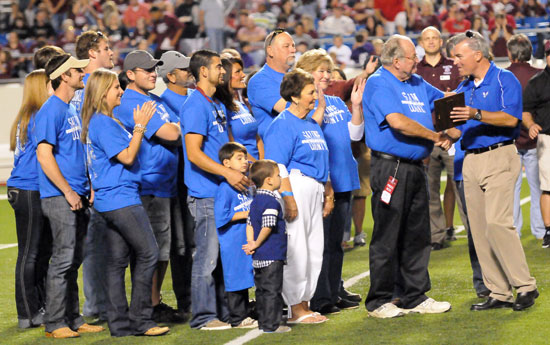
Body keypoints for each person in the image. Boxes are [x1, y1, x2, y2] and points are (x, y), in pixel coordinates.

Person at [447, 30, 538, 311]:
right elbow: (455, 130)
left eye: (458, 56)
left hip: (499, 155)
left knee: (498, 222)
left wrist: (475, 113)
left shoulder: (504, 78)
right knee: (479, 229)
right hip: (469, 160)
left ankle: (525, 286)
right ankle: (499, 292)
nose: (455, 62)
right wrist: (440, 132)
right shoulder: (463, 88)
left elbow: (511, 118)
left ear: (477, 54)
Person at [362, 35, 452, 318]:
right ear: (396, 60)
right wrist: (435, 136)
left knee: (417, 233)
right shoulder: (378, 83)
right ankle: (379, 300)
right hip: (391, 167)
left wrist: (455, 125)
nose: (418, 60)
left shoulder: (416, 82)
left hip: (415, 167)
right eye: (414, 56)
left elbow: (444, 101)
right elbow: (397, 121)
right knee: (388, 234)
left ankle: (414, 295)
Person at [81, 68, 169, 337]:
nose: (120, 91)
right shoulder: (103, 123)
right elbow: (128, 157)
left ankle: (119, 324)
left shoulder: (101, 121)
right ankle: (142, 319)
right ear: (101, 93)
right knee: (149, 253)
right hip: (120, 198)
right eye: (115, 88)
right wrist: (141, 126)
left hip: (111, 199)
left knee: (116, 262)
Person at [35, 54, 104, 338]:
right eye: (76, 70)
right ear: (64, 76)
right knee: (63, 260)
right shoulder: (51, 110)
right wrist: (67, 191)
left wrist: (86, 186)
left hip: (77, 193)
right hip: (60, 196)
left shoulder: (69, 108)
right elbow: (43, 153)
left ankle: (73, 317)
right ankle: (55, 322)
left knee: (74, 259)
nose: (82, 72)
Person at [181, 49, 248, 330]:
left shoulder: (216, 103)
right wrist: (227, 173)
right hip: (205, 192)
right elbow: (194, 154)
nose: (224, 71)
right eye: (219, 67)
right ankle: (203, 317)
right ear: (203, 71)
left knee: (223, 259)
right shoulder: (196, 104)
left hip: (221, 191)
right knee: (206, 259)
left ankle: (224, 313)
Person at [294, 49, 365, 315]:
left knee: (336, 243)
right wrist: (319, 105)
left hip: (344, 178)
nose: (327, 75)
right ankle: (319, 297)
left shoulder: (335, 102)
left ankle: (334, 292)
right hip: (321, 184)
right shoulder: (304, 104)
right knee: (319, 245)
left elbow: (355, 135)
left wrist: (356, 107)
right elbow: (308, 132)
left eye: (328, 70)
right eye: (321, 70)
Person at [114, 50, 183, 323]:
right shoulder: (131, 101)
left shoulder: (153, 99)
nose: (153, 73)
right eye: (146, 70)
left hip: (164, 184)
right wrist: (176, 127)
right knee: (151, 249)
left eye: (154, 69)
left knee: (163, 248)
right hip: (148, 184)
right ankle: (146, 305)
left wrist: (177, 127)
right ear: (130, 74)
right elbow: (172, 133)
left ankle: (154, 301)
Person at [264, 68, 332, 324]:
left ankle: (305, 302)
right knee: (297, 249)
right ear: (294, 96)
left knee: (314, 248)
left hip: (314, 187)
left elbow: (322, 158)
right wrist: (288, 197)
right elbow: (277, 166)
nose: (315, 96)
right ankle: (295, 307)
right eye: (310, 92)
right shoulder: (281, 124)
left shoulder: (310, 123)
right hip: (296, 187)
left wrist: (328, 192)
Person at [72, 30, 114, 323]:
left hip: (97, 181)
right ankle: (95, 308)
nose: (111, 53)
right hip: (92, 183)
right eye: (106, 48)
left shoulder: (94, 87)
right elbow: (84, 140)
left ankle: (102, 305)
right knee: (94, 248)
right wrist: (92, 180)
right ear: (91, 54)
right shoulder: (84, 91)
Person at [7, 70, 51, 329]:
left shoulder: (27, 115)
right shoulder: (37, 117)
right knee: (30, 254)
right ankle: (28, 312)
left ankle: (36, 308)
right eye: (49, 84)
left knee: (35, 252)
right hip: (29, 188)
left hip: (23, 188)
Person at [415, 26, 465, 250]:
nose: (432, 41)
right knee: (430, 188)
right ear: (421, 42)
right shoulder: (414, 70)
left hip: (453, 136)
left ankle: (472, 232)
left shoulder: (454, 66)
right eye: (427, 38)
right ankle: (436, 235)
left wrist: (453, 130)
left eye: (435, 37)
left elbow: (461, 97)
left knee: (461, 185)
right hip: (428, 137)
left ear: (441, 41)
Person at [158, 50, 195, 319]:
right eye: (183, 69)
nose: (189, 71)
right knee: (183, 244)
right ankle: (187, 299)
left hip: (202, 176)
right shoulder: (163, 103)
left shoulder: (195, 97)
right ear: (170, 76)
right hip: (181, 179)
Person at [243, 159, 290, 334]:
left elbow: (249, 223)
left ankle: (263, 322)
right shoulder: (272, 202)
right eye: (278, 175)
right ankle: (273, 325)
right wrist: (257, 242)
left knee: (261, 291)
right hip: (271, 254)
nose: (280, 178)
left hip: (258, 256)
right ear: (269, 180)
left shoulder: (255, 201)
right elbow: (268, 226)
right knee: (272, 291)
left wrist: (251, 243)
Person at [505, 34, 545, 240]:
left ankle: (514, 231)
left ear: (510, 53)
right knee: (540, 188)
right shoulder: (540, 75)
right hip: (536, 140)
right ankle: (540, 230)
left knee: (511, 188)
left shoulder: (502, 76)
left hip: (510, 140)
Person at [214, 142, 257, 329]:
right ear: (226, 163)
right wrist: (247, 213)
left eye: (245, 158)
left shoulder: (246, 185)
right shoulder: (225, 188)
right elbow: (221, 217)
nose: (244, 162)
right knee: (235, 278)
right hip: (232, 241)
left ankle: (247, 311)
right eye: (239, 158)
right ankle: (237, 317)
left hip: (245, 240)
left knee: (246, 276)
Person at [522, 41, 550, 248]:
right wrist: (531, 124)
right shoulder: (536, 82)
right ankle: (548, 230)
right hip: (547, 138)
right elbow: (525, 111)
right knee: (547, 188)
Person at [248, 29, 296, 139]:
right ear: (270, 51)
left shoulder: (295, 76)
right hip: (277, 150)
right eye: (286, 46)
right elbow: (292, 110)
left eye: (293, 45)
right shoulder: (259, 81)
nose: (293, 49)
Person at [215, 57, 263, 161]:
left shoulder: (241, 105)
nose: (243, 75)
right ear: (226, 76)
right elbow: (232, 145)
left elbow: (256, 137)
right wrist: (254, 165)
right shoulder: (222, 108)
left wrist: (262, 163)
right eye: (238, 72)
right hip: (242, 166)